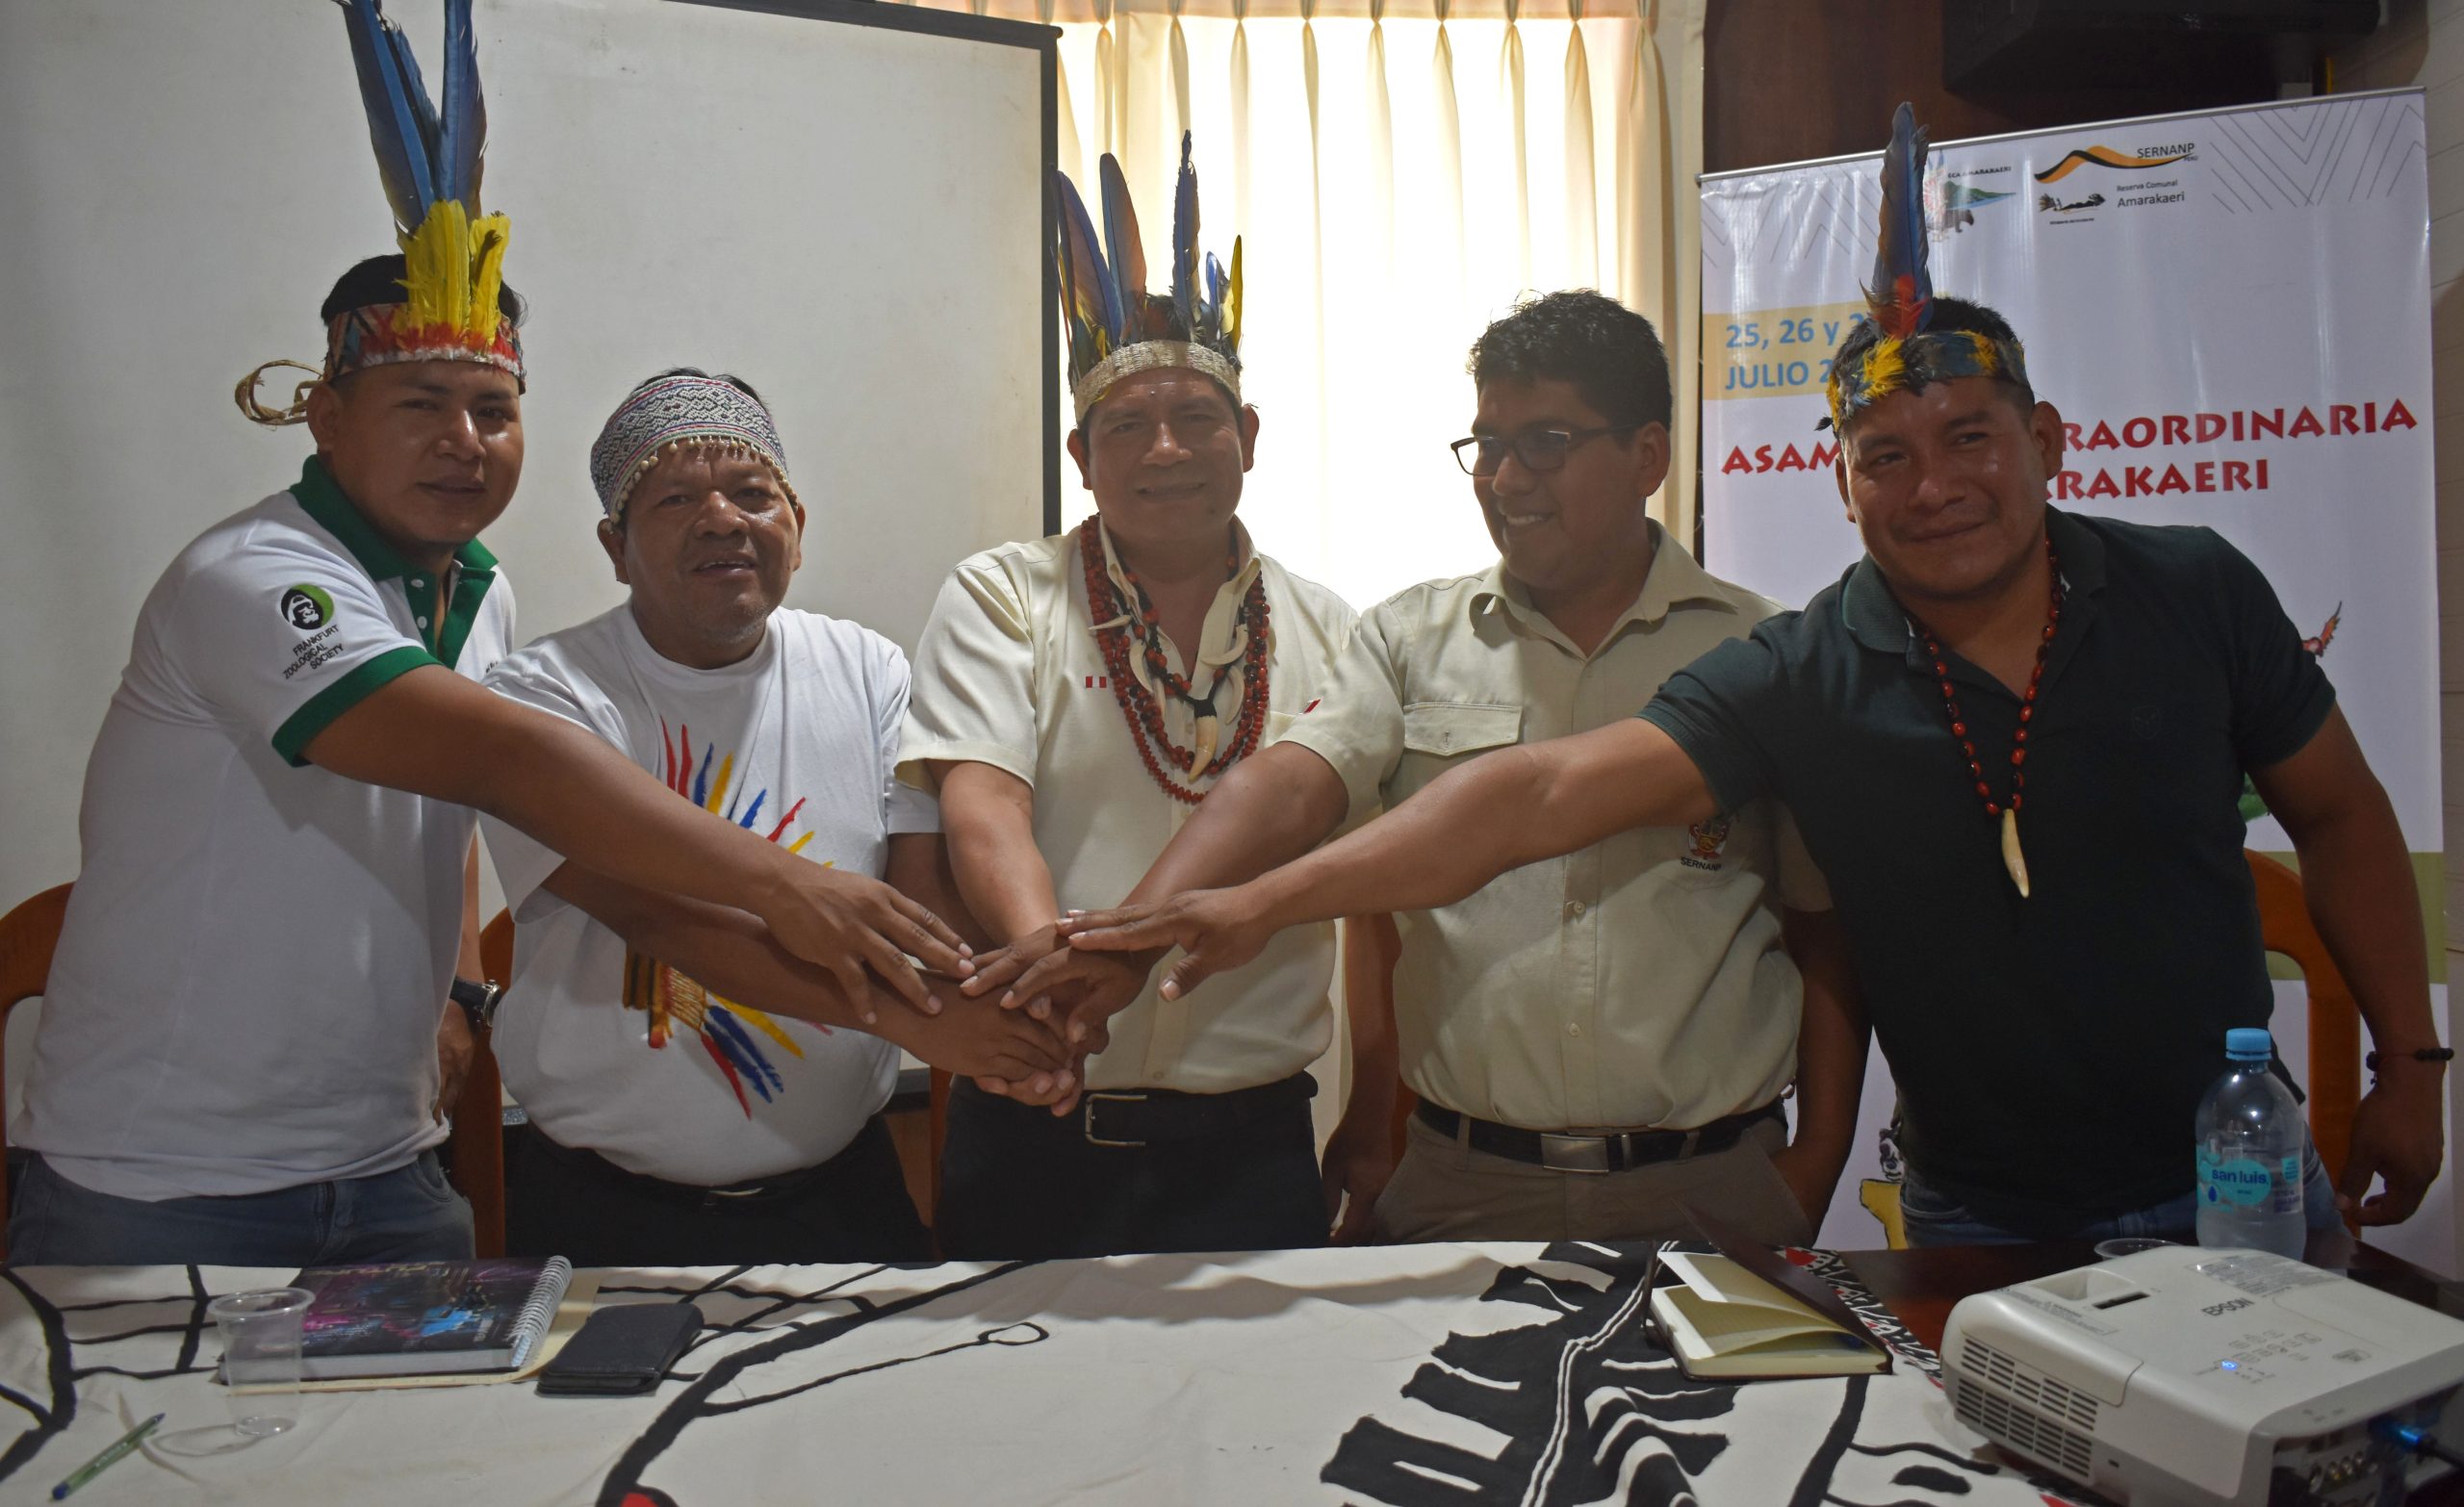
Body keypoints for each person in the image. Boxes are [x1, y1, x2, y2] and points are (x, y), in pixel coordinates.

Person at [1058, 109, 2445, 1247]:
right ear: (1840, 485)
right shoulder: (1810, 661)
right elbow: (1527, 793)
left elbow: (2337, 812)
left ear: (2048, 440)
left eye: (1971, 438)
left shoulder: (2191, 586)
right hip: (1970, 1208)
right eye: (1885, 457)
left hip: (2233, 1182)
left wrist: (2411, 1061)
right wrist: (1244, 902)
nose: (1937, 487)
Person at [8, 3, 964, 1267]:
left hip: (392, 1160)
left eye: (494, 408)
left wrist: (463, 991)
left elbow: (448, 820)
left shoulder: (476, 596)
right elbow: (513, 769)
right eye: (420, 404)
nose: (463, 441)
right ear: (325, 416)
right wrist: (795, 881)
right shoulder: (256, 580)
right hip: (167, 1176)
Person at [987, 291, 1862, 1246]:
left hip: (1710, 1185)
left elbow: (1825, 933)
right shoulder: (1407, 639)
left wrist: (1812, 1163)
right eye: (1486, 445)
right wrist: (1133, 938)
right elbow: (1293, 780)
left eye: (1546, 442)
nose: (1503, 477)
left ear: (1647, 455)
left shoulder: (1765, 653)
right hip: (1461, 1184)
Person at [480, 370, 1071, 1266]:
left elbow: (917, 890)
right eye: (676, 498)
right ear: (614, 544)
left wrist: (1023, 1009)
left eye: (754, 494)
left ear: (796, 526)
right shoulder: (540, 697)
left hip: (845, 1197)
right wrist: (920, 1025)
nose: (723, 519)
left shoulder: (867, 667)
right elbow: (657, 914)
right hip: (604, 1215)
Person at [897, 137, 1364, 1259]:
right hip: (1034, 1118)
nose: (1165, 449)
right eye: (1124, 427)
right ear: (1081, 453)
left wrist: (1381, 1103)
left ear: (1246, 439)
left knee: (1266, 1435)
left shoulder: (1333, 629)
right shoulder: (1005, 592)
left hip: (1252, 1145)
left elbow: (1372, 895)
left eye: (1197, 419)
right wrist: (1063, 991)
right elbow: (980, 807)